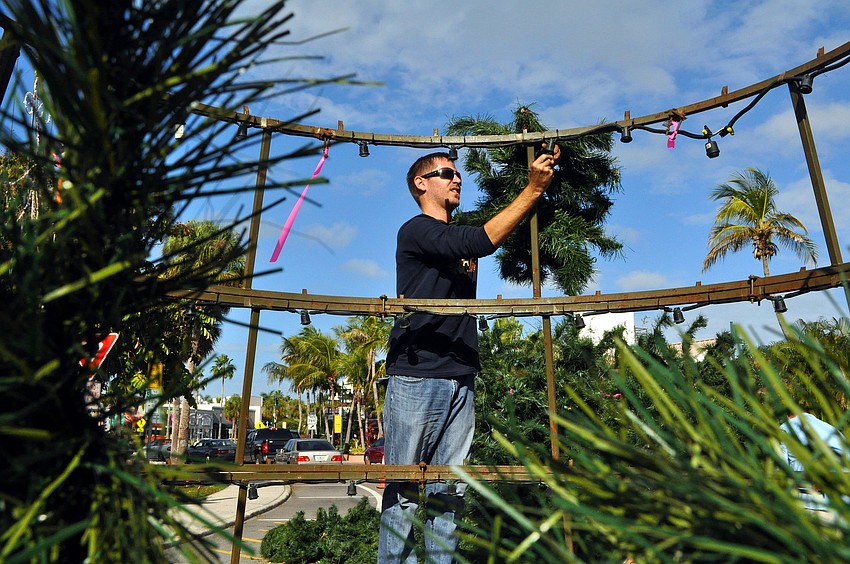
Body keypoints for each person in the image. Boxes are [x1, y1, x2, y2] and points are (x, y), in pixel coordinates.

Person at [378, 145, 560, 563]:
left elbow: (483, 234)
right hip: (418, 373)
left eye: (458, 173)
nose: (457, 178)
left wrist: (538, 185)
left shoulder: (452, 237)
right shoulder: (416, 230)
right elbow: (482, 239)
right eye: (446, 172)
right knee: (405, 490)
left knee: (450, 490)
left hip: (461, 372)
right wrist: (532, 190)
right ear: (421, 184)